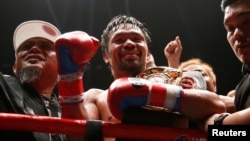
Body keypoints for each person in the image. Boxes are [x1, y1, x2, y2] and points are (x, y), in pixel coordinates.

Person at [56, 14, 226, 141]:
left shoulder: (174, 83)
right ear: (106, 56)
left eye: (137, 39)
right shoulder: (95, 97)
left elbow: (217, 109)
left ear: (147, 53)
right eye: (119, 40)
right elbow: (76, 138)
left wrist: (158, 94)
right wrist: (70, 78)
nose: (129, 44)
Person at [0, 20, 66, 141]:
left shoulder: (69, 111)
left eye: (45, 46)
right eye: (26, 47)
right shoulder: (3, 87)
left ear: (61, 67)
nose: (34, 49)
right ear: (14, 67)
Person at [199, 0, 250, 132]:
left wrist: (213, 124)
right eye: (230, 28)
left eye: (248, 22)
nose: (237, 34)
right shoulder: (244, 85)